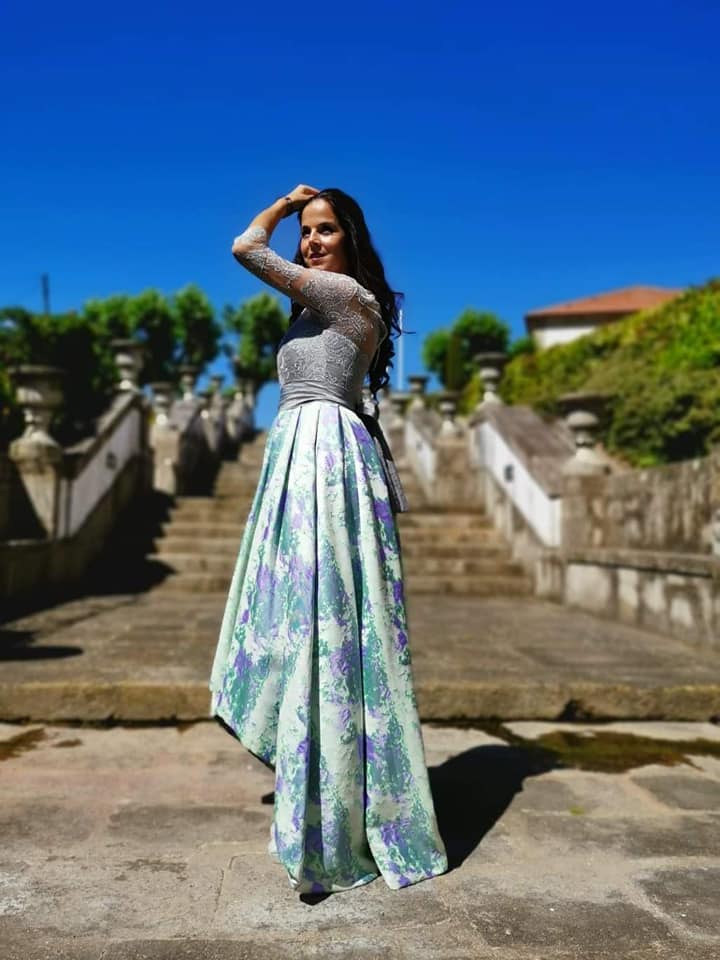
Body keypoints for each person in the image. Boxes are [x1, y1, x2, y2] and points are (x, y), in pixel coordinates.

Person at [209, 185, 448, 895]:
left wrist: (282, 205)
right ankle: (320, 781)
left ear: (350, 239)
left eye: (324, 231)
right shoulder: (321, 307)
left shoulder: (348, 296)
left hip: (324, 458)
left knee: (325, 621)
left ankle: (337, 808)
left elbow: (244, 248)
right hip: (298, 456)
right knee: (292, 620)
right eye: (306, 232)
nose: (310, 242)